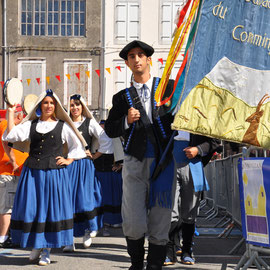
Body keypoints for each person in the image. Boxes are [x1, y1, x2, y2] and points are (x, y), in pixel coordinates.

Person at [105, 40, 176, 270]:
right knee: (134, 220)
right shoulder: (121, 98)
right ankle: (136, 264)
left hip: (164, 163)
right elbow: (110, 129)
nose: (136, 59)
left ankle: (154, 265)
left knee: (161, 218)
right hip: (134, 163)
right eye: (132, 56)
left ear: (148, 60)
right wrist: (126, 120)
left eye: (140, 55)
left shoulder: (168, 89)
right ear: (126, 63)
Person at [3, 89, 87, 266]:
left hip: (54, 175)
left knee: (49, 210)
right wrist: (10, 112)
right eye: (45, 103)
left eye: (52, 103)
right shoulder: (31, 125)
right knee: (32, 209)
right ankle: (36, 245)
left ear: (56, 106)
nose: (49, 106)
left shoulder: (63, 126)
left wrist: (69, 159)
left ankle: (46, 250)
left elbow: (77, 146)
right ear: (40, 105)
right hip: (32, 174)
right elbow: (11, 136)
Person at [63, 94, 112, 251]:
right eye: (72, 105)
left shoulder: (89, 123)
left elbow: (106, 140)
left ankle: (88, 229)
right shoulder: (64, 124)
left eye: (77, 105)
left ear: (82, 107)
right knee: (68, 202)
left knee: (84, 199)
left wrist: (95, 155)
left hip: (84, 165)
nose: (75, 108)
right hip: (69, 165)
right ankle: (69, 239)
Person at [164, 131, 219, 266]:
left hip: (193, 163)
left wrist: (198, 149)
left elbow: (214, 141)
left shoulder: (201, 111)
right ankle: (168, 251)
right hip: (170, 161)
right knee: (170, 210)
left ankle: (187, 250)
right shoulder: (165, 109)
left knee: (190, 211)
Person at [0, 104, 28, 248]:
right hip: (9, 172)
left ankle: (6, 236)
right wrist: (14, 162)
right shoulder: (6, 124)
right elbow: (6, 143)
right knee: (7, 207)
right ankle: (3, 238)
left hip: (11, 172)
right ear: (18, 116)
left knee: (9, 206)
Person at [93, 120, 123, 235]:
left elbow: (121, 151)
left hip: (112, 172)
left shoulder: (115, 136)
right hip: (99, 171)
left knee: (114, 197)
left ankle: (115, 220)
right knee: (102, 198)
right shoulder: (96, 137)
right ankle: (103, 224)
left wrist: (120, 164)